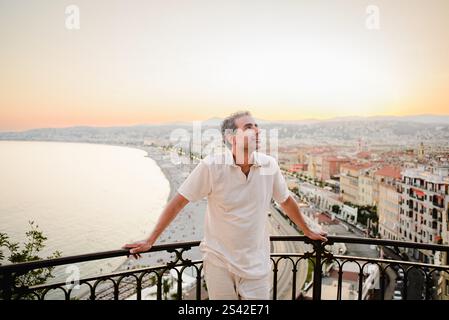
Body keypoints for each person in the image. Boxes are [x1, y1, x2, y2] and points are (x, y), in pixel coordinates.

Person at [122, 111, 327, 300]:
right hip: (218, 261)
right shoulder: (212, 166)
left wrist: (307, 231)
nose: (257, 130)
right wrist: (151, 240)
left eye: (256, 126)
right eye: (248, 127)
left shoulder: (269, 165)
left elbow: (286, 201)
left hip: (257, 263)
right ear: (231, 138)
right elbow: (177, 203)